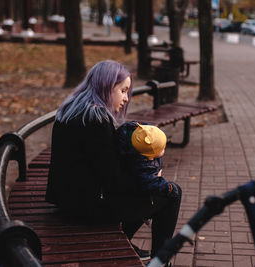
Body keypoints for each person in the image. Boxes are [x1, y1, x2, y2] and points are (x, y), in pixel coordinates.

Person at [46, 60, 182, 261]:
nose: (126, 98)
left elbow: (101, 166)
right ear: (107, 87)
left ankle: (124, 240)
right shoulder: (96, 119)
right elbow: (113, 181)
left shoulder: (72, 109)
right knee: (171, 194)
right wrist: (154, 181)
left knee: (145, 188)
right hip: (83, 207)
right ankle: (159, 262)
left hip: (67, 198)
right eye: (123, 90)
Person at [116, 122, 180, 198]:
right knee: (176, 191)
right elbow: (154, 185)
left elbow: (146, 131)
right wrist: (168, 186)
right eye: (162, 148)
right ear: (151, 155)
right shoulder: (144, 169)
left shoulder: (133, 138)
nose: (164, 149)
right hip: (140, 197)